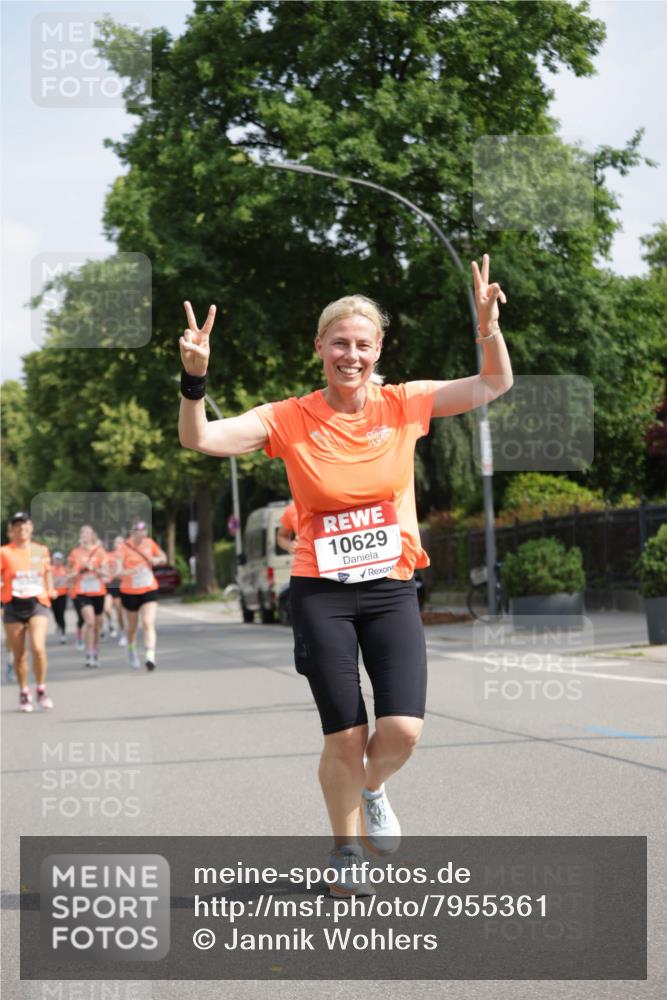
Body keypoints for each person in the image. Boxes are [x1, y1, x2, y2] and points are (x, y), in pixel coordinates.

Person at [178, 255, 512, 895]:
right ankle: (345, 847)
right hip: (321, 591)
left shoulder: (404, 404)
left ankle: (374, 786)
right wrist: (195, 380)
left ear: (378, 348)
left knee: (402, 730)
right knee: (346, 732)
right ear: (320, 349)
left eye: (363, 343)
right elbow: (201, 439)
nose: (350, 354)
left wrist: (487, 329)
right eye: (340, 343)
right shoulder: (288, 417)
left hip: (389, 588)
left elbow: (492, 383)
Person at [0, 512, 56, 712]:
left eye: (24, 525)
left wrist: (50, 589)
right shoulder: (5, 552)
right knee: (19, 654)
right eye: (17, 526)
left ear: (31, 528)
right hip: (13, 605)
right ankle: (24, 691)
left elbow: (47, 572)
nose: (21, 529)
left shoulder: (41, 550)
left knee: (38, 647)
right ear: (11, 531)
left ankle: (41, 689)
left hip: (37, 603)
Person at [117, 521, 167, 671]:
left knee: (147, 623)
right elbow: (117, 571)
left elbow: (163, 557)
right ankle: (131, 649)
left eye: (144, 530)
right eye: (139, 530)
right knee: (132, 627)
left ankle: (150, 656)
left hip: (148, 588)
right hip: (129, 591)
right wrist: (128, 572)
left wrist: (156, 560)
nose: (143, 533)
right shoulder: (123, 547)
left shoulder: (149, 543)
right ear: (132, 532)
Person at [67, 525, 108, 668]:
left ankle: (96, 651)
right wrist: (80, 571)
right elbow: (69, 575)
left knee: (97, 625)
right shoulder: (74, 553)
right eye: (82, 533)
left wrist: (93, 569)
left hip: (98, 591)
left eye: (87, 533)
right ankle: (89, 653)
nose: (84, 535)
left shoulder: (100, 552)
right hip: (82, 591)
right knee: (90, 622)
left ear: (92, 536)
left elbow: (106, 573)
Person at [106, 536, 128, 646]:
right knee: (107, 609)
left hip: (121, 584)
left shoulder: (127, 556)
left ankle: (123, 633)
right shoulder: (109, 555)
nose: (118, 544)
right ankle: (110, 622)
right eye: (116, 542)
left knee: (120, 611)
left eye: (120, 542)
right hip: (109, 584)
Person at [50, 552, 69, 644]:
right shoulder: (50, 569)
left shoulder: (65, 569)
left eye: (59, 559)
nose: (58, 561)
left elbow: (69, 580)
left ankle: (63, 633)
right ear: (53, 560)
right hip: (53, 595)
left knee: (61, 613)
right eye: (56, 559)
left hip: (63, 595)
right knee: (55, 613)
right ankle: (58, 624)